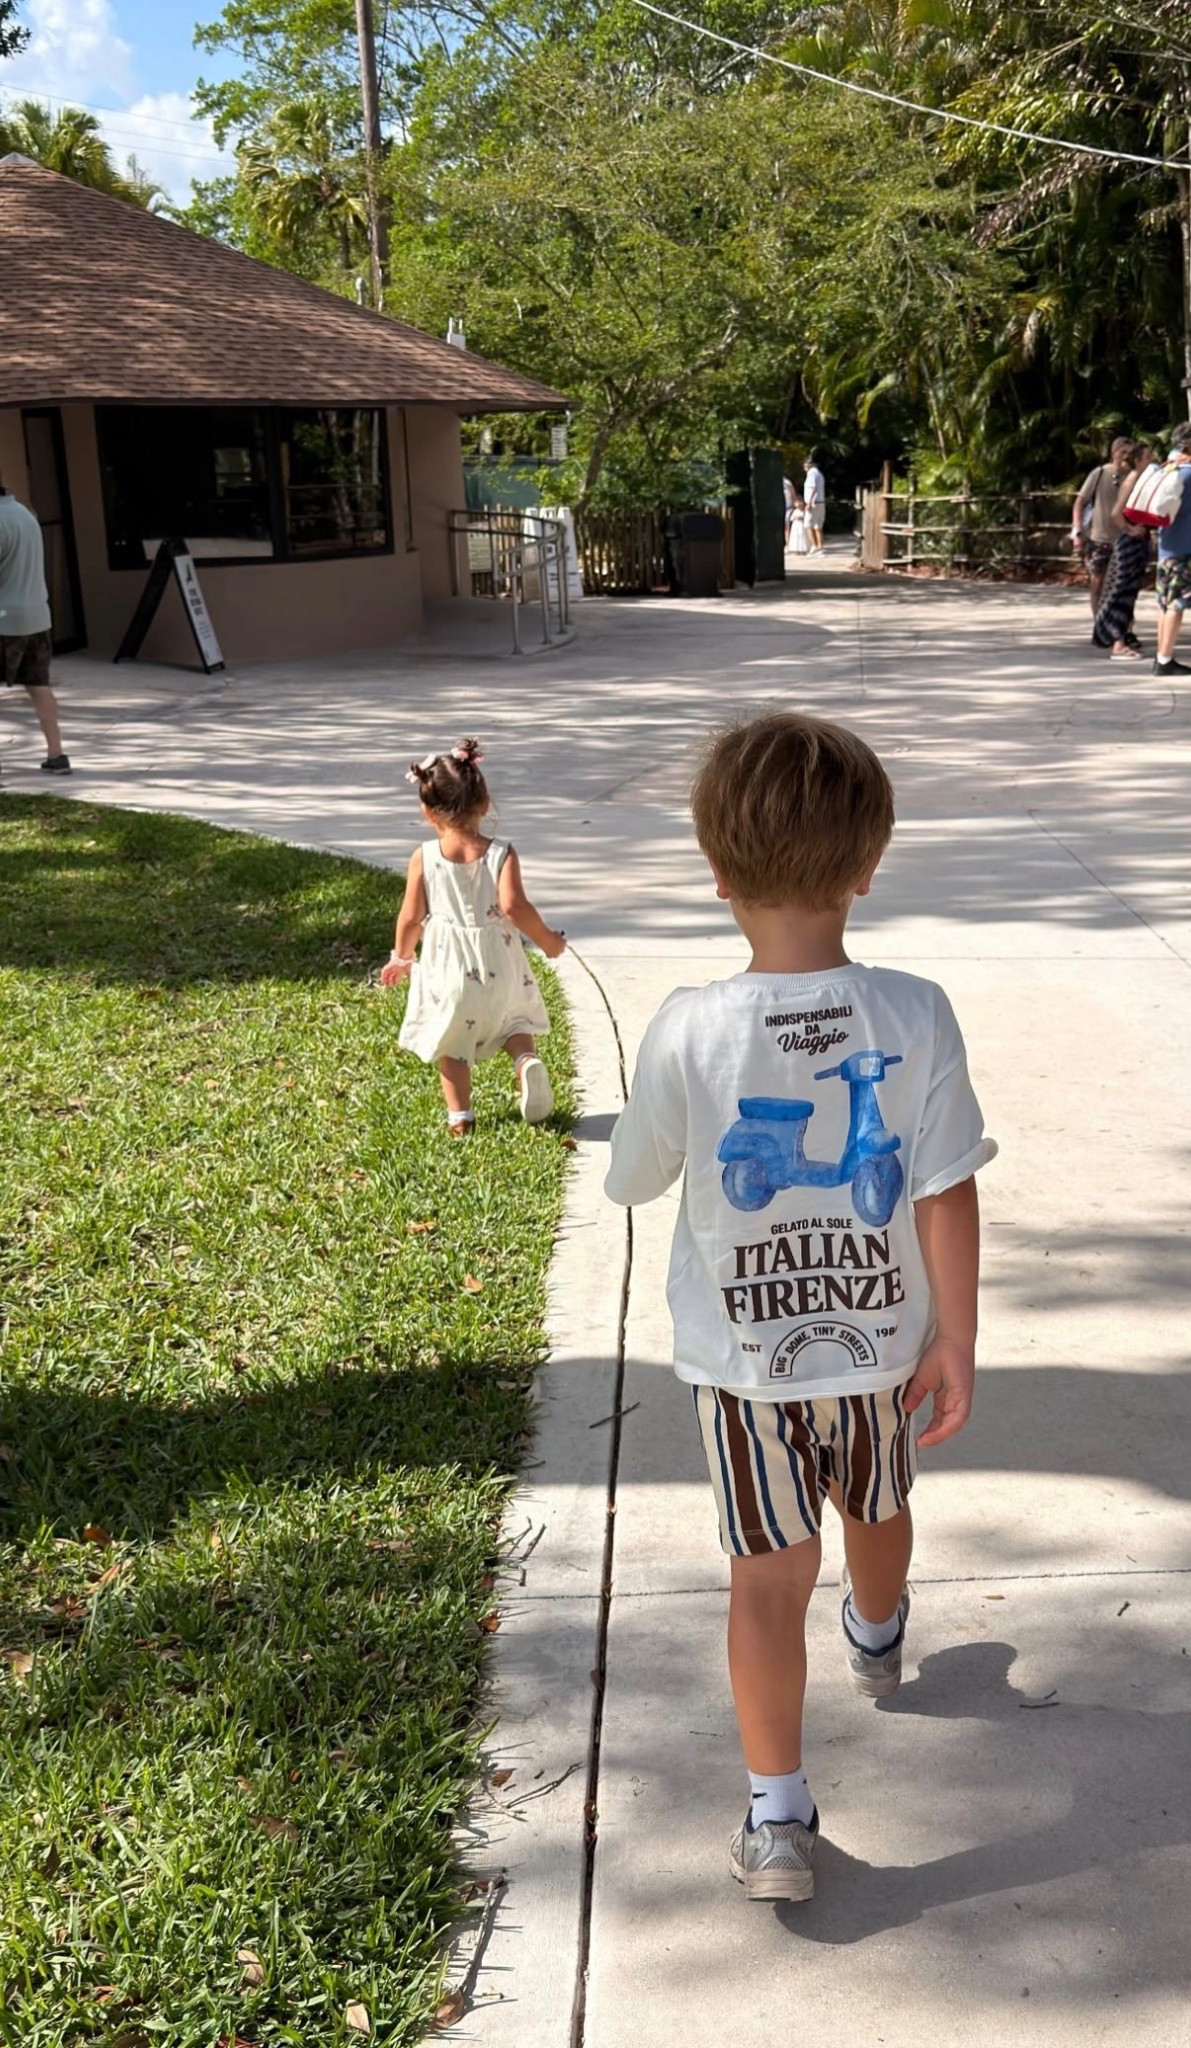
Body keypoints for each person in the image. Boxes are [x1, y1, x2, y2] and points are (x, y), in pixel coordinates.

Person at [604, 711, 996, 1903]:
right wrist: (958, 1334)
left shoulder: (687, 1025)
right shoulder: (916, 1010)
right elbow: (946, 1184)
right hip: (879, 1348)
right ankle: (878, 1631)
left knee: (765, 1580)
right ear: (867, 867)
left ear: (717, 874)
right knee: (879, 1505)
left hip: (744, 1366)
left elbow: (635, 1175)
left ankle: (777, 1815)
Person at [379, 737, 565, 1134]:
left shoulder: (424, 857)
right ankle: (524, 1063)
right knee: (515, 1021)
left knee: (453, 1042)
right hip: (498, 963)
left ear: (428, 812)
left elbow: (411, 917)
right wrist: (550, 942)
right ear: (484, 803)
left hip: (448, 971)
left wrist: (401, 957)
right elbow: (516, 908)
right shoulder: (502, 853)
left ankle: (460, 1118)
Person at [0, 475, 71, 774]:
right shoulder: (25, 515)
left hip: (5, 619)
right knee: (39, 685)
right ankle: (57, 755)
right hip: (37, 616)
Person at [1092, 442, 1151, 659]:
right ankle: (1117, 643)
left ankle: (1122, 638)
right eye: (1147, 458)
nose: (1150, 461)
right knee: (1121, 593)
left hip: (1137, 544)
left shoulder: (1139, 480)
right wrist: (1130, 529)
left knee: (1129, 592)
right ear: (1138, 461)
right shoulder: (1132, 480)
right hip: (1129, 544)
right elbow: (1116, 512)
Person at [1071, 437, 1133, 623]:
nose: (1125, 457)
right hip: (1099, 537)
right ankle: (1099, 621)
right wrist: (1077, 530)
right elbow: (1079, 502)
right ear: (1113, 453)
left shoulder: (1132, 476)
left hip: (1124, 538)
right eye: (1123, 452)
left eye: (1129, 454)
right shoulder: (1099, 473)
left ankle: (1123, 626)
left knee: (1123, 585)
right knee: (1097, 581)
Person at [1152, 422, 1191, 677]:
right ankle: (1165, 660)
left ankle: (1162, 656)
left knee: (1165, 605)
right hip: (1184, 548)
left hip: (1166, 547)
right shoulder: (1188, 474)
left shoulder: (1168, 470)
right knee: (1176, 605)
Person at [803, 453, 826, 553]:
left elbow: (812, 488)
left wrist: (809, 503)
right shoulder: (819, 474)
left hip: (813, 503)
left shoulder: (811, 474)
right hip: (820, 502)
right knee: (818, 526)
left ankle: (814, 546)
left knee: (808, 525)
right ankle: (820, 546)